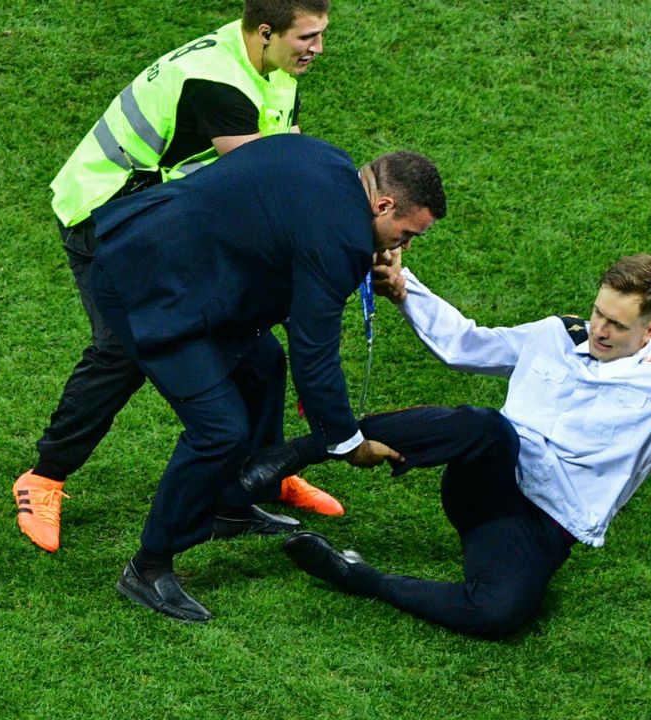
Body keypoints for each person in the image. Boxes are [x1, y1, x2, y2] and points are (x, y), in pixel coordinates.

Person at [248, 254, 651, 638]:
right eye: (599, 313)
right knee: (486, 427)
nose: (600, 330)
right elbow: (465, 345)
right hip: (488, 480)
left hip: (539, 525)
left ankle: (356, 575)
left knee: (499, 615)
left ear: (650, 330)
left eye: (617, 325)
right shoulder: (558, 334)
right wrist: (405, 289)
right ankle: (300, 452)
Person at [13, 0, 343, 554]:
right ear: (266, 32)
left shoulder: (276, 70)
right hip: (104, 219)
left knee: (255, 350)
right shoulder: (217, 81)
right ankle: (43, 478)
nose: (317, 48)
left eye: (321, 35)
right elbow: (263, 183)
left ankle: (262, 471)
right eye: (307, 36)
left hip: (163, 221)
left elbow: (289, 172)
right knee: (122, 352)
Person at [91, 133, 447, 621]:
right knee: (219, 430)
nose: (402, 246)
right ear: (383, 204)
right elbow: (314, 352)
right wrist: (345, 442)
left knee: (264, 367)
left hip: (173, 259)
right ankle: (149, 564)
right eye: (405, 234)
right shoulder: (342, 236)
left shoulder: (327, 160)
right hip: (150, 289)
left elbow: (287, 231)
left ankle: (232, 503)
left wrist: (368, 257)